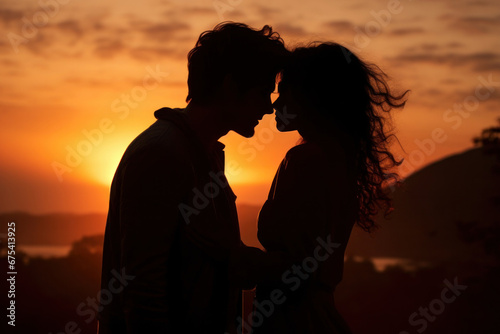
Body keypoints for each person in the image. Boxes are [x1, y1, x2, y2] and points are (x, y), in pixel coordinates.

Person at [97, 22, 289, 334]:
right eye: (263, 93)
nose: (268, 108)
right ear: (230, 87)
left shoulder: (200, 152)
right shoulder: (161, 155)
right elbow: (143, 290)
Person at [253, 43, 409, 333]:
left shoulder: (305, 160)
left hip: (293, 321)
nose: (275, 103)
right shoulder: (338, 158)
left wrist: (231, 260)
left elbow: (297, 269)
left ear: (313, 96)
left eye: (285, 91)